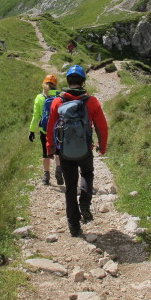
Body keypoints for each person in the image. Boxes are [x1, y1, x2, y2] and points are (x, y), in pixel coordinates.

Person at [46, 65, 108, 237]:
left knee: (70, 187)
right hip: (85, 149)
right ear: (82, 81)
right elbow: (102, 127)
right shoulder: (92, 101)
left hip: (65, 152)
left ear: (68, 81)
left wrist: (50, 148)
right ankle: (85, 204)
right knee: (87, 173)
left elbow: (51, 127)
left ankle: (74, 227)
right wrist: (101, 147)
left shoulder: (57, 102)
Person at [29, 74, 63, 186]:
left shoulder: (40, 97)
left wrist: (32, 130)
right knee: (58, 152)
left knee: (45, 153)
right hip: (58, 129)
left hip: (45, 130)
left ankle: (46, 177)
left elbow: (36, 116)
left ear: (44, 84)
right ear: (55, 85)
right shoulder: (60, 96)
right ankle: (58, 169)